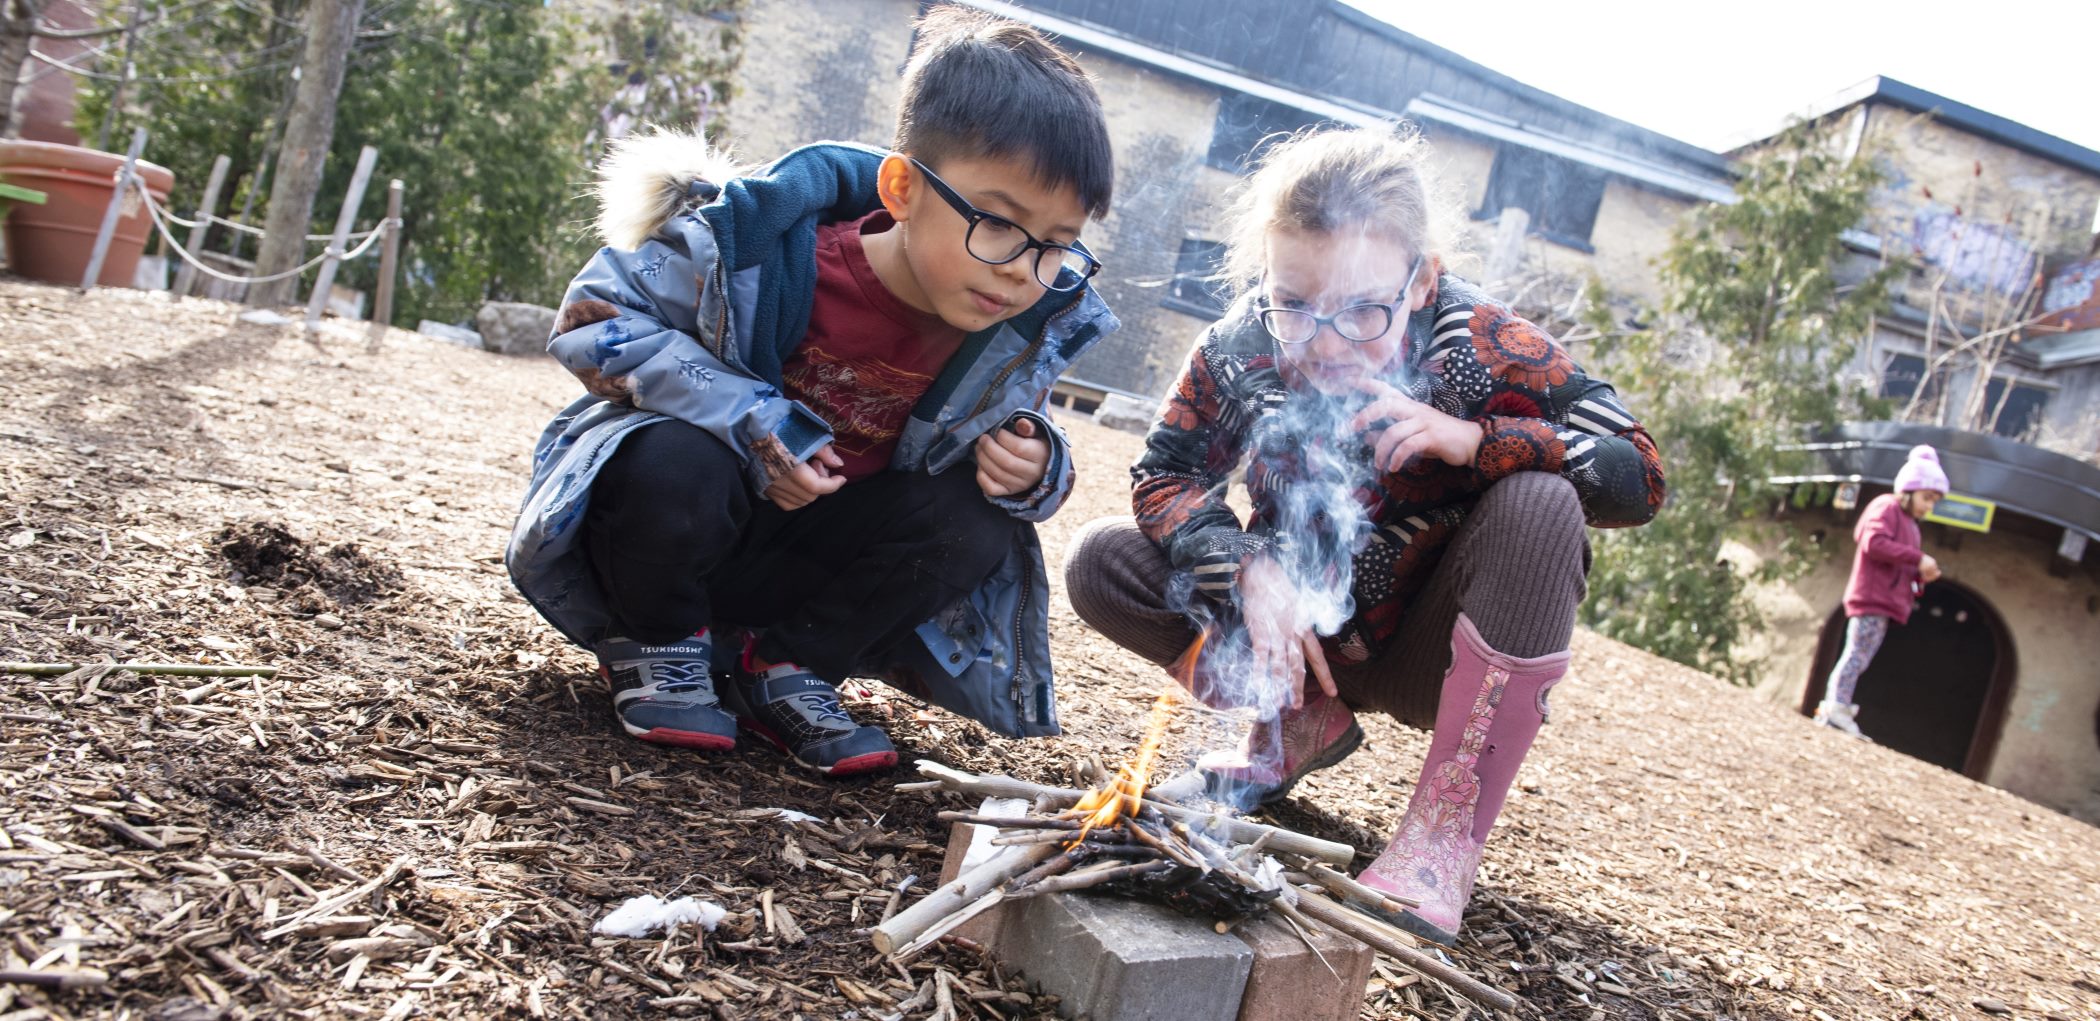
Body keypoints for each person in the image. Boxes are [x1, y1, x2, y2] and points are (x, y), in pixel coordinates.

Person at [1064, 125, 1664, 945]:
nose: (1323, 340)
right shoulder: (1245, 344)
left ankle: (1441, 838)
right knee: (1103, 561)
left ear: (1422, 281)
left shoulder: (1489, 349)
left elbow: (1641, 477)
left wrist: (1483, 441)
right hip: (1291, 649)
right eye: (1295, 304)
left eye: (1363, 309)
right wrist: (1245, 567)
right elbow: (1163, 473)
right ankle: (1294, 719)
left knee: (1540, 502)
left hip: (1431, 652)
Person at [505, 6, 1118, 777]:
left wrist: (1037, 467)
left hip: (810, 564)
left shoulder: (1011, 326)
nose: (1023, 270)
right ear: (902, 187)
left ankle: (787, 668)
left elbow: (1010, 430)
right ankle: (658, 640)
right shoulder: (755, 249)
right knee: (673, 457)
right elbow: (592, 320)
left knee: (978, 521)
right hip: (674, 530)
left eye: (1058, 246)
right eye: (997, 223)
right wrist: (753, 420)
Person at [1815, 445, 1947, 737]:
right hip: (1871, 597)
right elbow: (1872, 542)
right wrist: (1917, 558)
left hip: (1888, 602)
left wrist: (1921, 573)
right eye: (1926, 497)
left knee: (1862, 656)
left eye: (1934, 501)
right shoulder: (1886, 506)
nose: (1928, 506)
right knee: (1856, 654)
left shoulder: (1912, 526)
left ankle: (1839, 704)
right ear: (1909, 490)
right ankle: (1835, 707)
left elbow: (1901, 564)